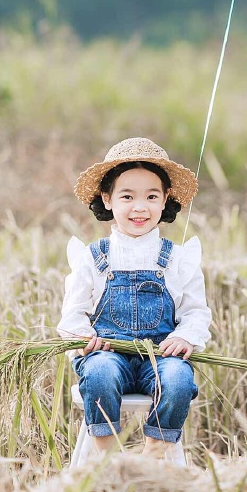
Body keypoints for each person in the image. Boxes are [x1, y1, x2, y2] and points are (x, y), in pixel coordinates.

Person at [57, 136, 212, 461]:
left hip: (160, 358)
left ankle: (153, 456)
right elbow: (72, 315)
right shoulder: (94, 257)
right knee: (99, 374)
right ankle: (107, 456)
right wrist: (83, 337)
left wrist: (185, 336)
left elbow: (196, 312)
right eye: (128, 196)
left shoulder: (178, 259)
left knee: (179, 379)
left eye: (151, 196)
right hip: (108, 354)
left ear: (165, 199)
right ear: (108, 198)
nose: (140, 207)